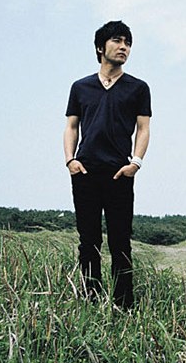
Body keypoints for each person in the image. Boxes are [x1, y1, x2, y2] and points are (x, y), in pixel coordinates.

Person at [63, 20, 151, 310]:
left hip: (119, 173)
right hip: (85, 171)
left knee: (120, 242)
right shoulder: (81, 87)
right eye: (117, 41)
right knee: (88, 241)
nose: (124, 47)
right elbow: (71, 126)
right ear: (101, 47)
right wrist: (70, 160)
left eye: (128, 43)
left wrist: (135, 163)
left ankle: (124, 306)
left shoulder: (138, 88)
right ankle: (90, 301)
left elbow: (143, 128)